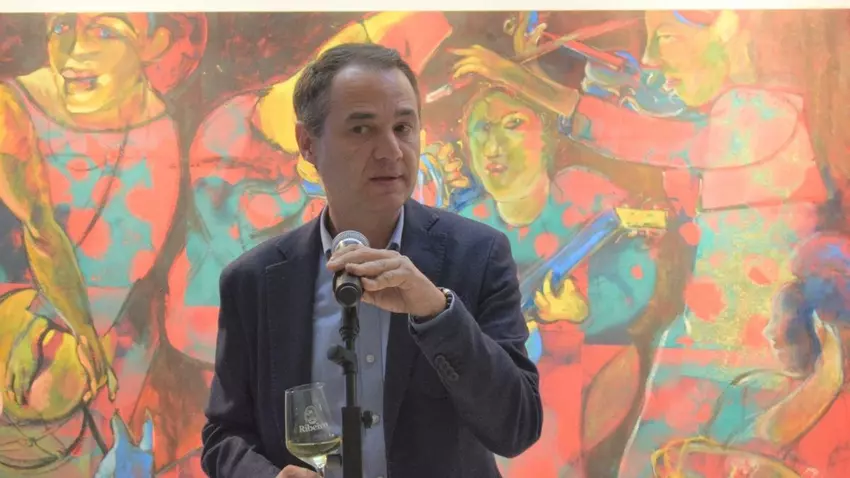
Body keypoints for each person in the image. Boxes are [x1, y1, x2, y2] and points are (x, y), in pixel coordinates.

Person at [200, 43, 543, 478]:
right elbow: (225, 435)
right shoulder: (253, 281)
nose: (391, 151)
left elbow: (517, 427)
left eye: (403, 127)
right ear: (307, 144)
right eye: (362, 129)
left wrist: (436, 313)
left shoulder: (478, 256)